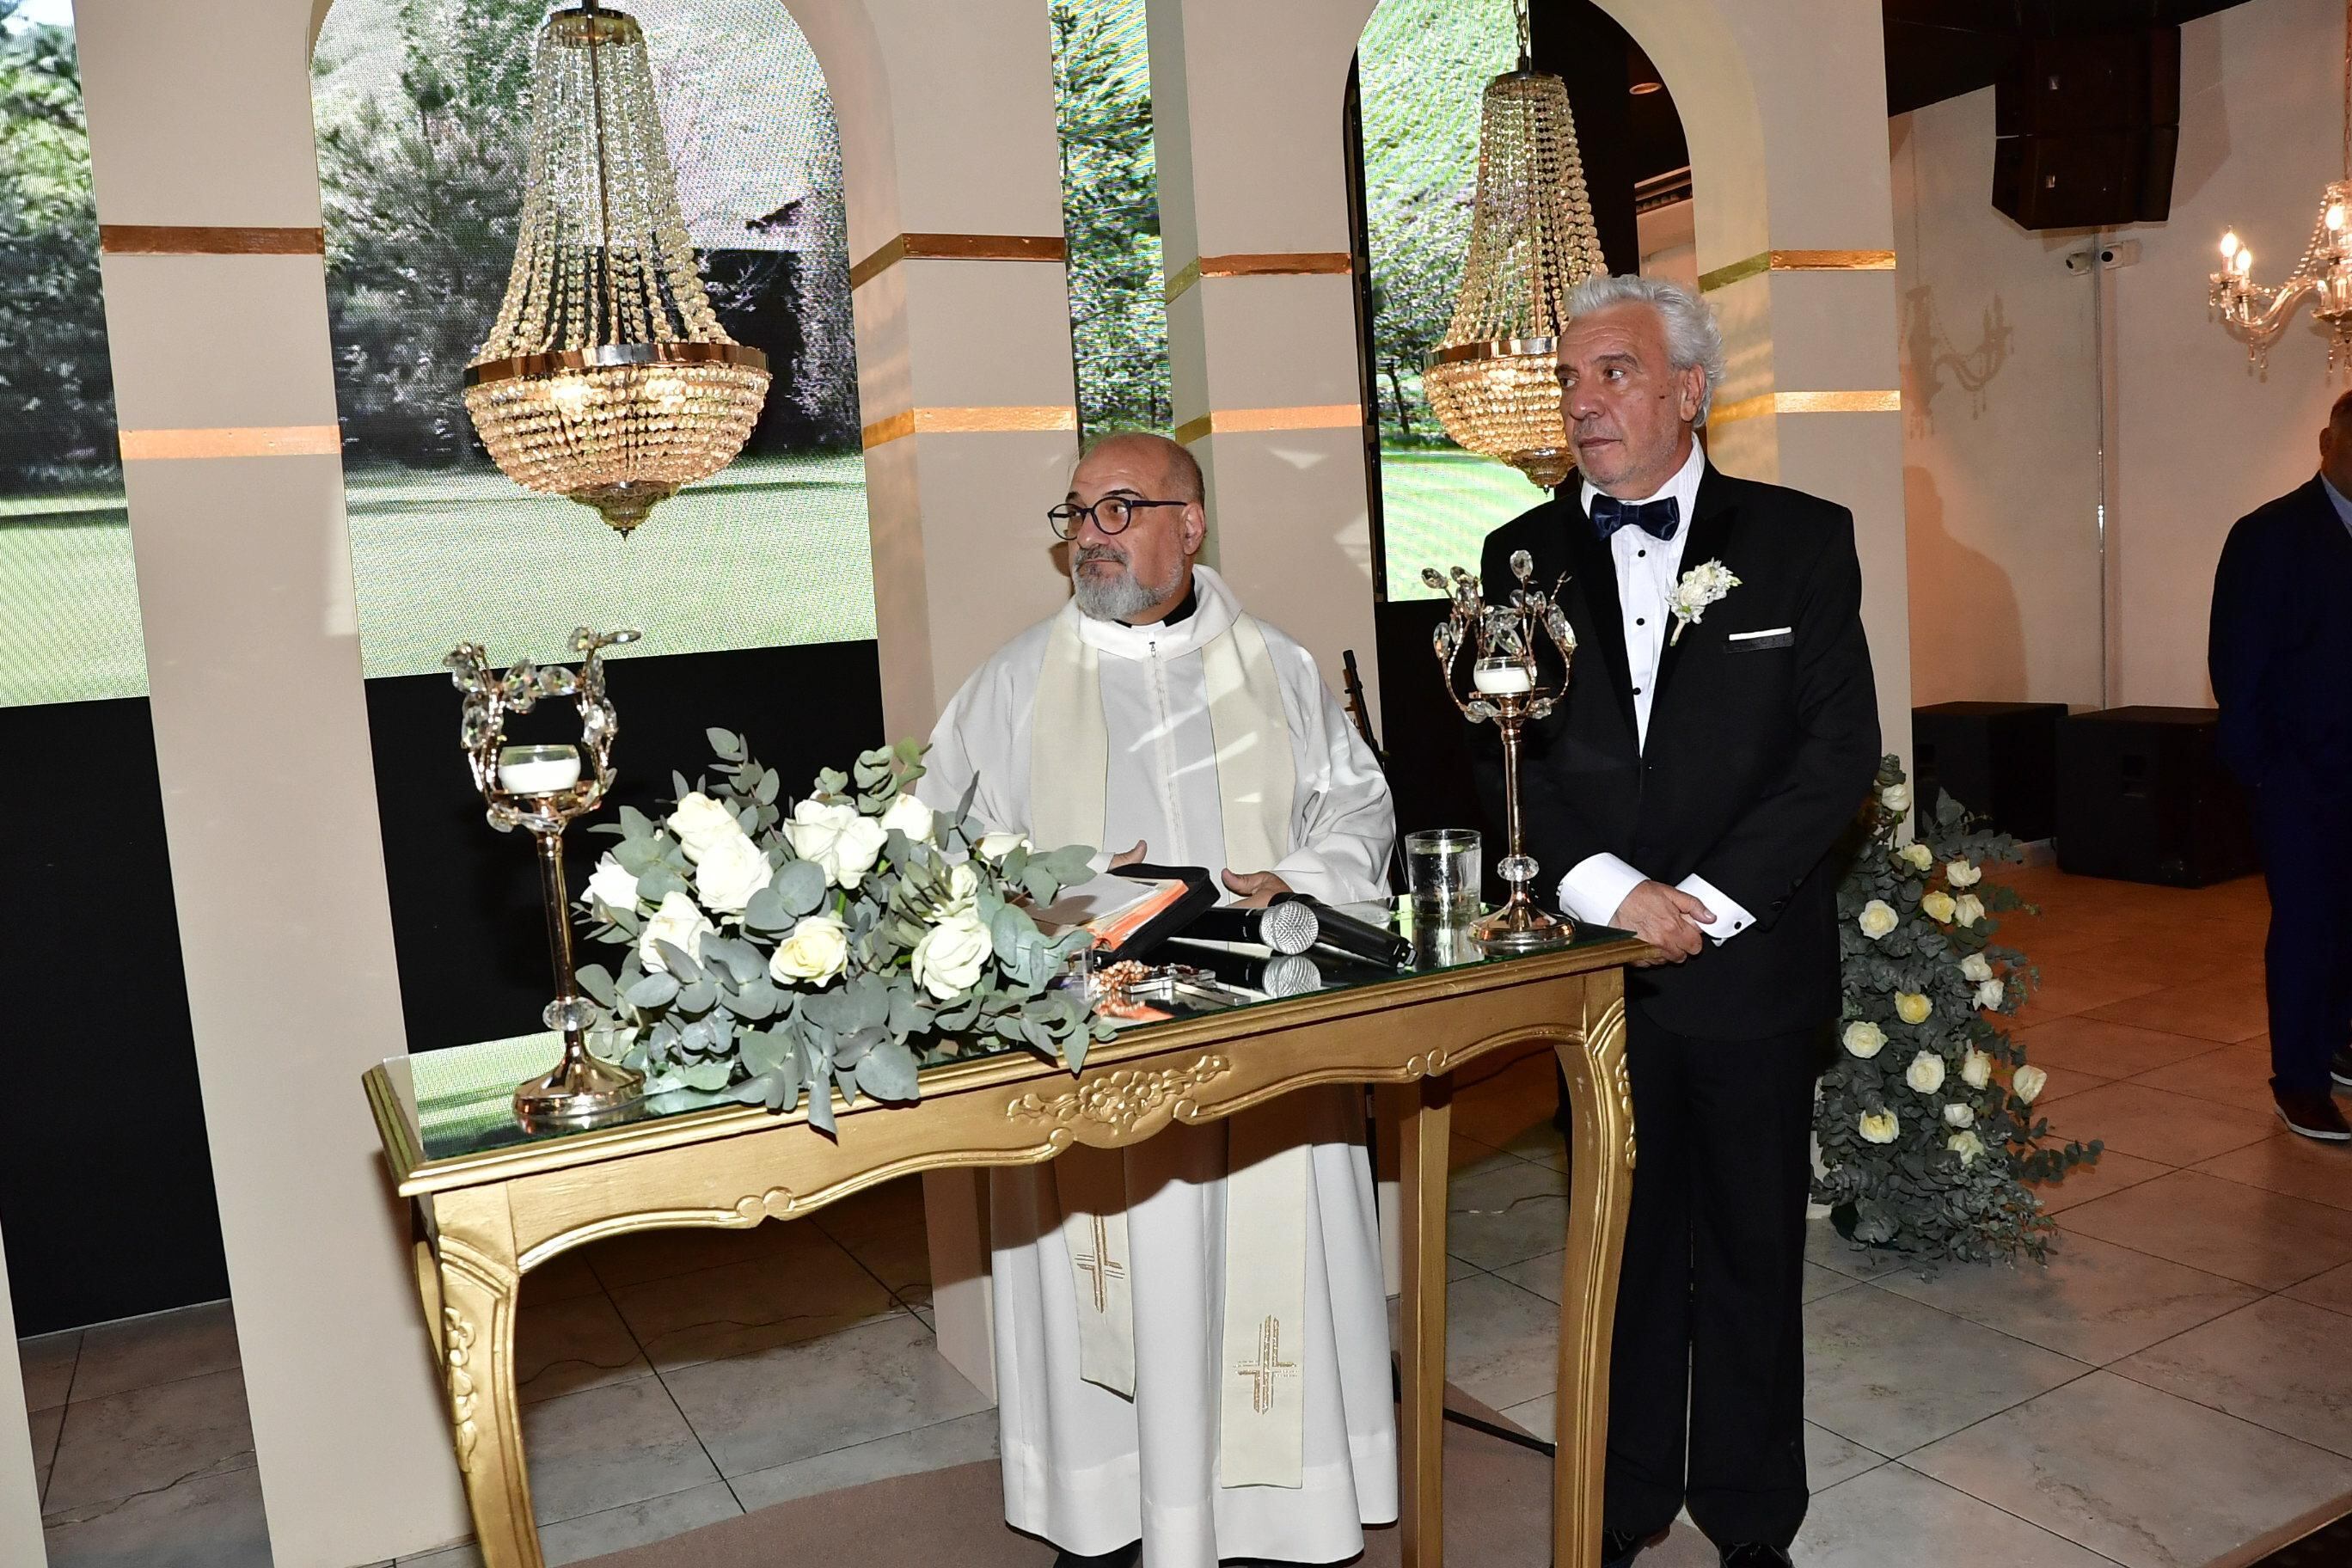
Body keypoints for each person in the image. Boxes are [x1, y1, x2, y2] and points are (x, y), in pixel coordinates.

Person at [918, 433, 1399, 1568]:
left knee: (1260, 1292)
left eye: (1119, 508)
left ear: (1190, 524)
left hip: (1267, 1045)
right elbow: (934, 851)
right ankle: (1116, 1519)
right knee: (1117, 1277)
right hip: (1101, 1049)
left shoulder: (1275, 668)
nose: (1089, 533)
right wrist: (1053, 890)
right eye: (1076, 512)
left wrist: (1298, 881)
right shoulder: (1014, 683)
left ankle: (1278, 1519)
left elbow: (1361, 819)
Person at [1473, 275, 1880, 1568]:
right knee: (1623, 1251)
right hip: (1598, 973)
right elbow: (1501, 762)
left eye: (1613, 374)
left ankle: (1755, 1521)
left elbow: (1836, 757)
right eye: (1573, 380)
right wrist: (1609, 895)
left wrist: (1701, 904)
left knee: (1757, 1251)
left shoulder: (1803, 539)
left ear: (1689, 391)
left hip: (1750, 965)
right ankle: (1623, 1498)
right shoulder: (1515, 557)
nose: (1583, 402)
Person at [2208, 391, 2352, 1142]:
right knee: (2305, 928)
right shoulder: (2269, 534)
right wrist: (2262, 770)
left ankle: (2339, 1042)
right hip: (2300, 777)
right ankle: (2298, 1082)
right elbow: (2238, 663)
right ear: (2327, 442)